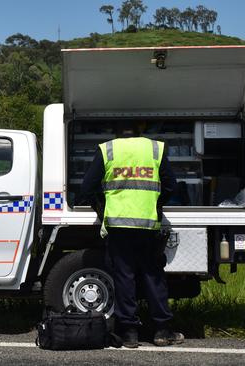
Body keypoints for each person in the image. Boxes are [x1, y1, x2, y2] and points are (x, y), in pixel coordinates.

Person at [80, 124, 184, 348]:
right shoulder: (154, 149)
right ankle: (162, 331)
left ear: (117, 134)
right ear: (139, 133)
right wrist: (156, 205)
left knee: (124, 277)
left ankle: (129, 333)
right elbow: (171, 186)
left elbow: (86, 187)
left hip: (118, 224)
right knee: (152, 275)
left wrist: (102, 209)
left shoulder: (108, 149)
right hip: (147, 224)